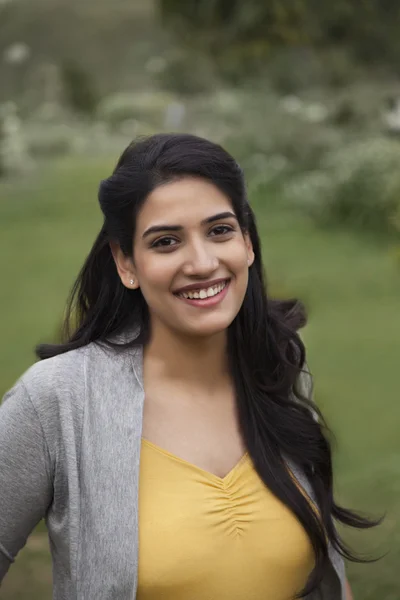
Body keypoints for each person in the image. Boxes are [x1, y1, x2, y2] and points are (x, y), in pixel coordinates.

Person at [0, 133, 377, 599]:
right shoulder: (58, 401)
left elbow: (330, 581)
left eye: (219, 230)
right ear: (125, 262)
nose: (201, 262)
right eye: (166, 241)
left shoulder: (277, 369)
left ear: (248, 241)